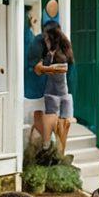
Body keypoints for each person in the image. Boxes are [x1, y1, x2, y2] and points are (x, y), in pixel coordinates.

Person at [36, 22, 74, 157]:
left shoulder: (54, 56)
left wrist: (47, 62)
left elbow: (43, 68)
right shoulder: (64, 52)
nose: (45, 41)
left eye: (46, 39)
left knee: (56, 122)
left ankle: (51, 147)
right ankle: (59, 151)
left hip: (54, 93)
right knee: (62, 125)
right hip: (63, 93)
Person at [24, 2, 47, 148]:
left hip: (36, 83)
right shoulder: (29, 37)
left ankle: (42, 144)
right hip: (33, 83)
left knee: (39, 113)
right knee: (38, 113)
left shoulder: (31, 37)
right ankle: (41, 144)